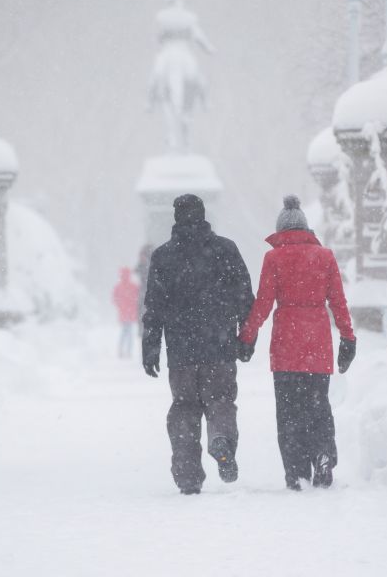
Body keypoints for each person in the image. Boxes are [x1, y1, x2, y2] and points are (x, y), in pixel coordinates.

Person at [238, 195, 356, 491]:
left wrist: (247, 336)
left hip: (286, 344)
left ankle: (296, 471)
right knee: (318, 406)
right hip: (317, 342)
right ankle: (323, 453)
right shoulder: (325, 257)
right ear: (307, 229)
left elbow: (263, 303)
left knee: (289, 410)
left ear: (280, 232)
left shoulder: (273, 258)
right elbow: (338, 302)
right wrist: (347, 337)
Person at [142, 194, 254, 495]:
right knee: (220, 401)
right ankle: (221, 440)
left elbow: (154, 307)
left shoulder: (163, 257)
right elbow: (245, 298)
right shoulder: (225, 250)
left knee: (184, 409)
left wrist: (151, 346)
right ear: (204, 216)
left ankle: (188, 475)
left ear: (176, 218)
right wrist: (246, 338)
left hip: (181, 352)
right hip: (219, 346)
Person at [112, 267, 140, 358]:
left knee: (125, 332)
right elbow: (138, 298)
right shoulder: (133, 286)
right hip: (130, 313)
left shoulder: (118, 287)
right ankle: (127, 352)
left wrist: (120, 306)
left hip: (125, 313)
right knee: (128, 332)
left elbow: (114, 299)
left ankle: (122, 351)